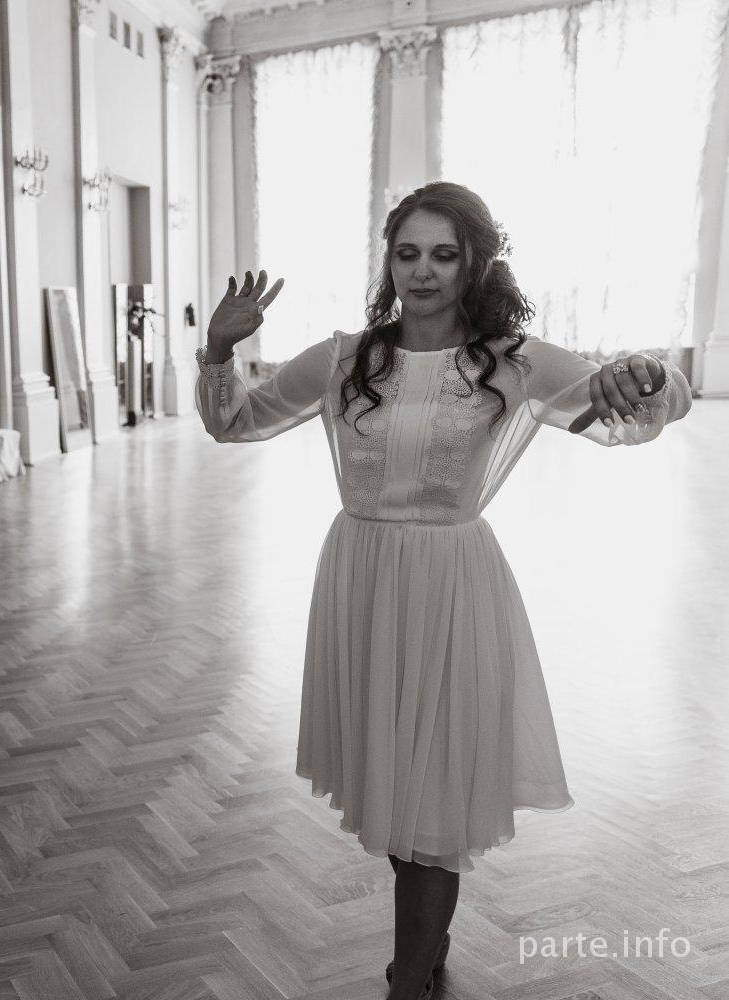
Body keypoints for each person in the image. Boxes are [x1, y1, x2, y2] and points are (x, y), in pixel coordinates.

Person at [194, 181, 690, 1000]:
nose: (422, 271)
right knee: (396, 791)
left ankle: (411, 978)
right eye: (407, 253)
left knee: (431, 808)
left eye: (444, 254)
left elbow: (641, 415)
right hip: (359, 586)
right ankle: (424, 947)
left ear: (473, 265)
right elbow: (234, 421)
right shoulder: (343, 358)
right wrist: (218, 348)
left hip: (452, 591)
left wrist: (651, 374)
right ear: (388, 262)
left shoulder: (514, 362)